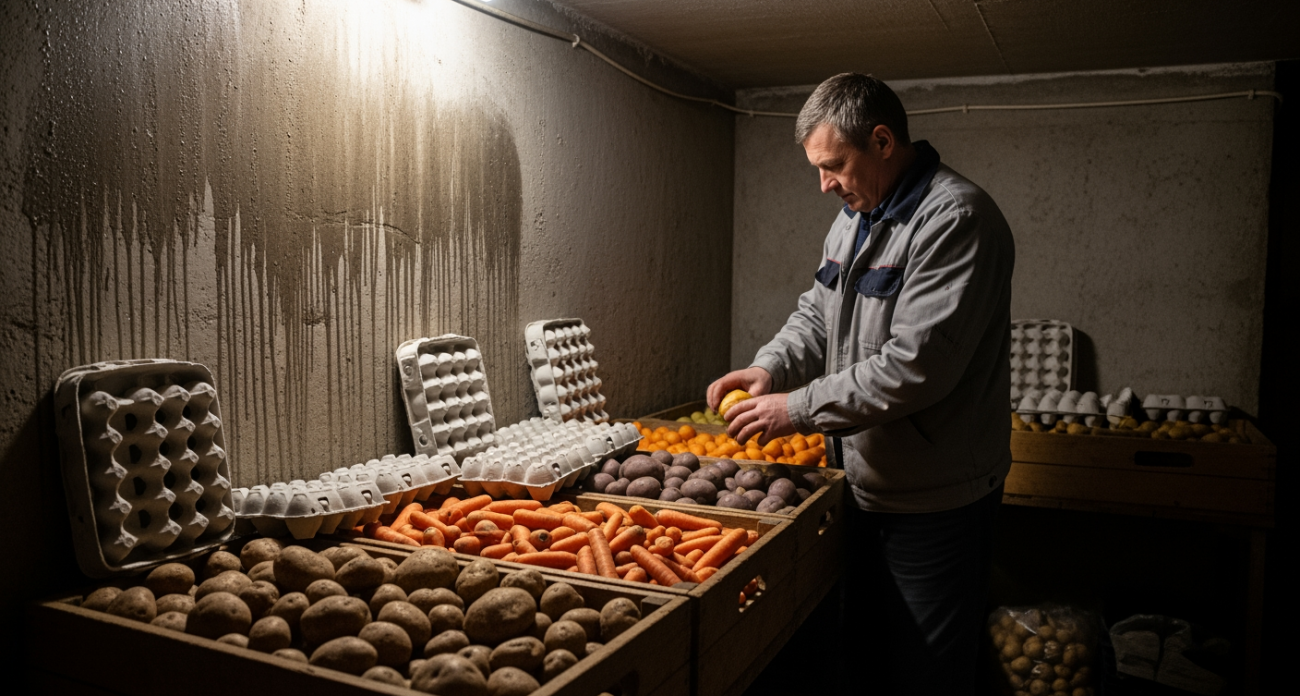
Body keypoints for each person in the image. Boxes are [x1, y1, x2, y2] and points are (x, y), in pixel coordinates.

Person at [707, 73, 1015, 694]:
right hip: (860, 484)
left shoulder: (955, 220)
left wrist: (794, 408)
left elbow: (915, 367)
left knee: (926, 671)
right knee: (867, 659)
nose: (825, 184)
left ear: (881, 141)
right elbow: (817, 314)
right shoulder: (856, 217)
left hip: (935, 499)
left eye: (834, 165)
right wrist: (772, 366)